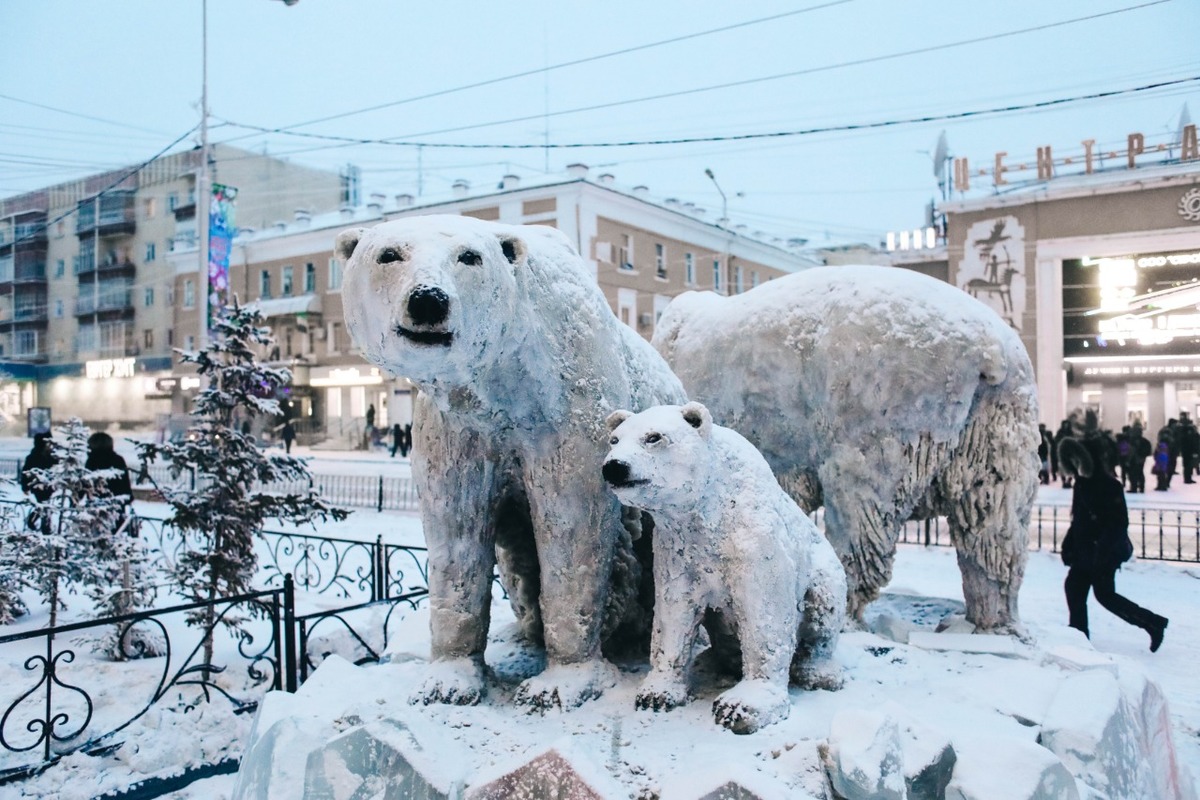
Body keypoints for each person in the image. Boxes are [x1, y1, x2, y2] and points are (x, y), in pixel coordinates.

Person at [1058, 436, 1168, 652]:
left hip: (1103, 553)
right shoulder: (1080, 484)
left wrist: (1101, 551)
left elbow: (1118, 524)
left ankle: (1152, 622)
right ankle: (1079, 636)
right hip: (1084, 551)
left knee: (1105, 596)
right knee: (1074, 589)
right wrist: (1068, 545)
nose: (1075, 464)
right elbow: (1078, 519)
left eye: (1078, 459)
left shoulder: (1110, 486)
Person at [86, 432, 134, 536]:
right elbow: (125, 483)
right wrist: (127, 498)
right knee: (115, 535)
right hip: (116, 505)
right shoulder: (118, 460)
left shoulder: (91, 461)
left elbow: (86, 485)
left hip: (96, 506)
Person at [1127, 423, 1151, 493]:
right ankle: (1141, 487)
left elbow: (1131, 451)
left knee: (1133, 473)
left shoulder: (1133, 441)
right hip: (1141, 459)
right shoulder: (1145, 441)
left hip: (1135, 459)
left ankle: (1134, 487)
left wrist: (1128, 459)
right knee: (1140, 472)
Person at [1053, 420, 1076, 489]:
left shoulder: (1071, 432)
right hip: (1061, 452)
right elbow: (1056, 442)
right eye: (1065, 424)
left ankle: (1069, 481)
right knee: (1062, 468)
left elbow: (1074, 441)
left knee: (1071, 468)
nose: (1066, 425)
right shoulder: (1060, 432)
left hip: (1070, 453)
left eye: (1067, 424)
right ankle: (1064, 482)